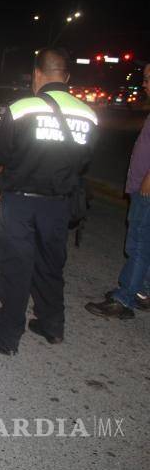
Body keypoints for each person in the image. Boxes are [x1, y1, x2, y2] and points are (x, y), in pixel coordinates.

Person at [0, 47, 98, 355]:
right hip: (59, 204)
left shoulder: (23, 107)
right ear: (66, 77)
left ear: (37, 74)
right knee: (50, 266)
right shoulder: (88, 113)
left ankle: (7, 336)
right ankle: (52, 326)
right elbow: (84, 160)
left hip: (21, 203)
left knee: (16, 268)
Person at [85, 63, 150, 318]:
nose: (144, 83)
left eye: (147, 78)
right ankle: (140, 291)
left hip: (147, 190)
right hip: (141, 186)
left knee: (138, 244)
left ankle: (125, 300)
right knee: (143, 243)